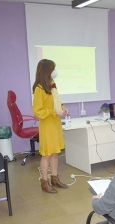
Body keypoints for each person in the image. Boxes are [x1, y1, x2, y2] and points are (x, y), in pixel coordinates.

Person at [32, 59, 68, 194]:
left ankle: (55, 178)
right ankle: (44, 182)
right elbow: (37, 111)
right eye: (53, 69)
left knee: (55, 152)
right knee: (47, 154)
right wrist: (54, 112)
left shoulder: (52, 85)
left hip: (55, 123)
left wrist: (63, 108)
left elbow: (57, 102)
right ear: (47, 70)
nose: (55, 71)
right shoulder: (39, 89)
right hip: (47, 125)